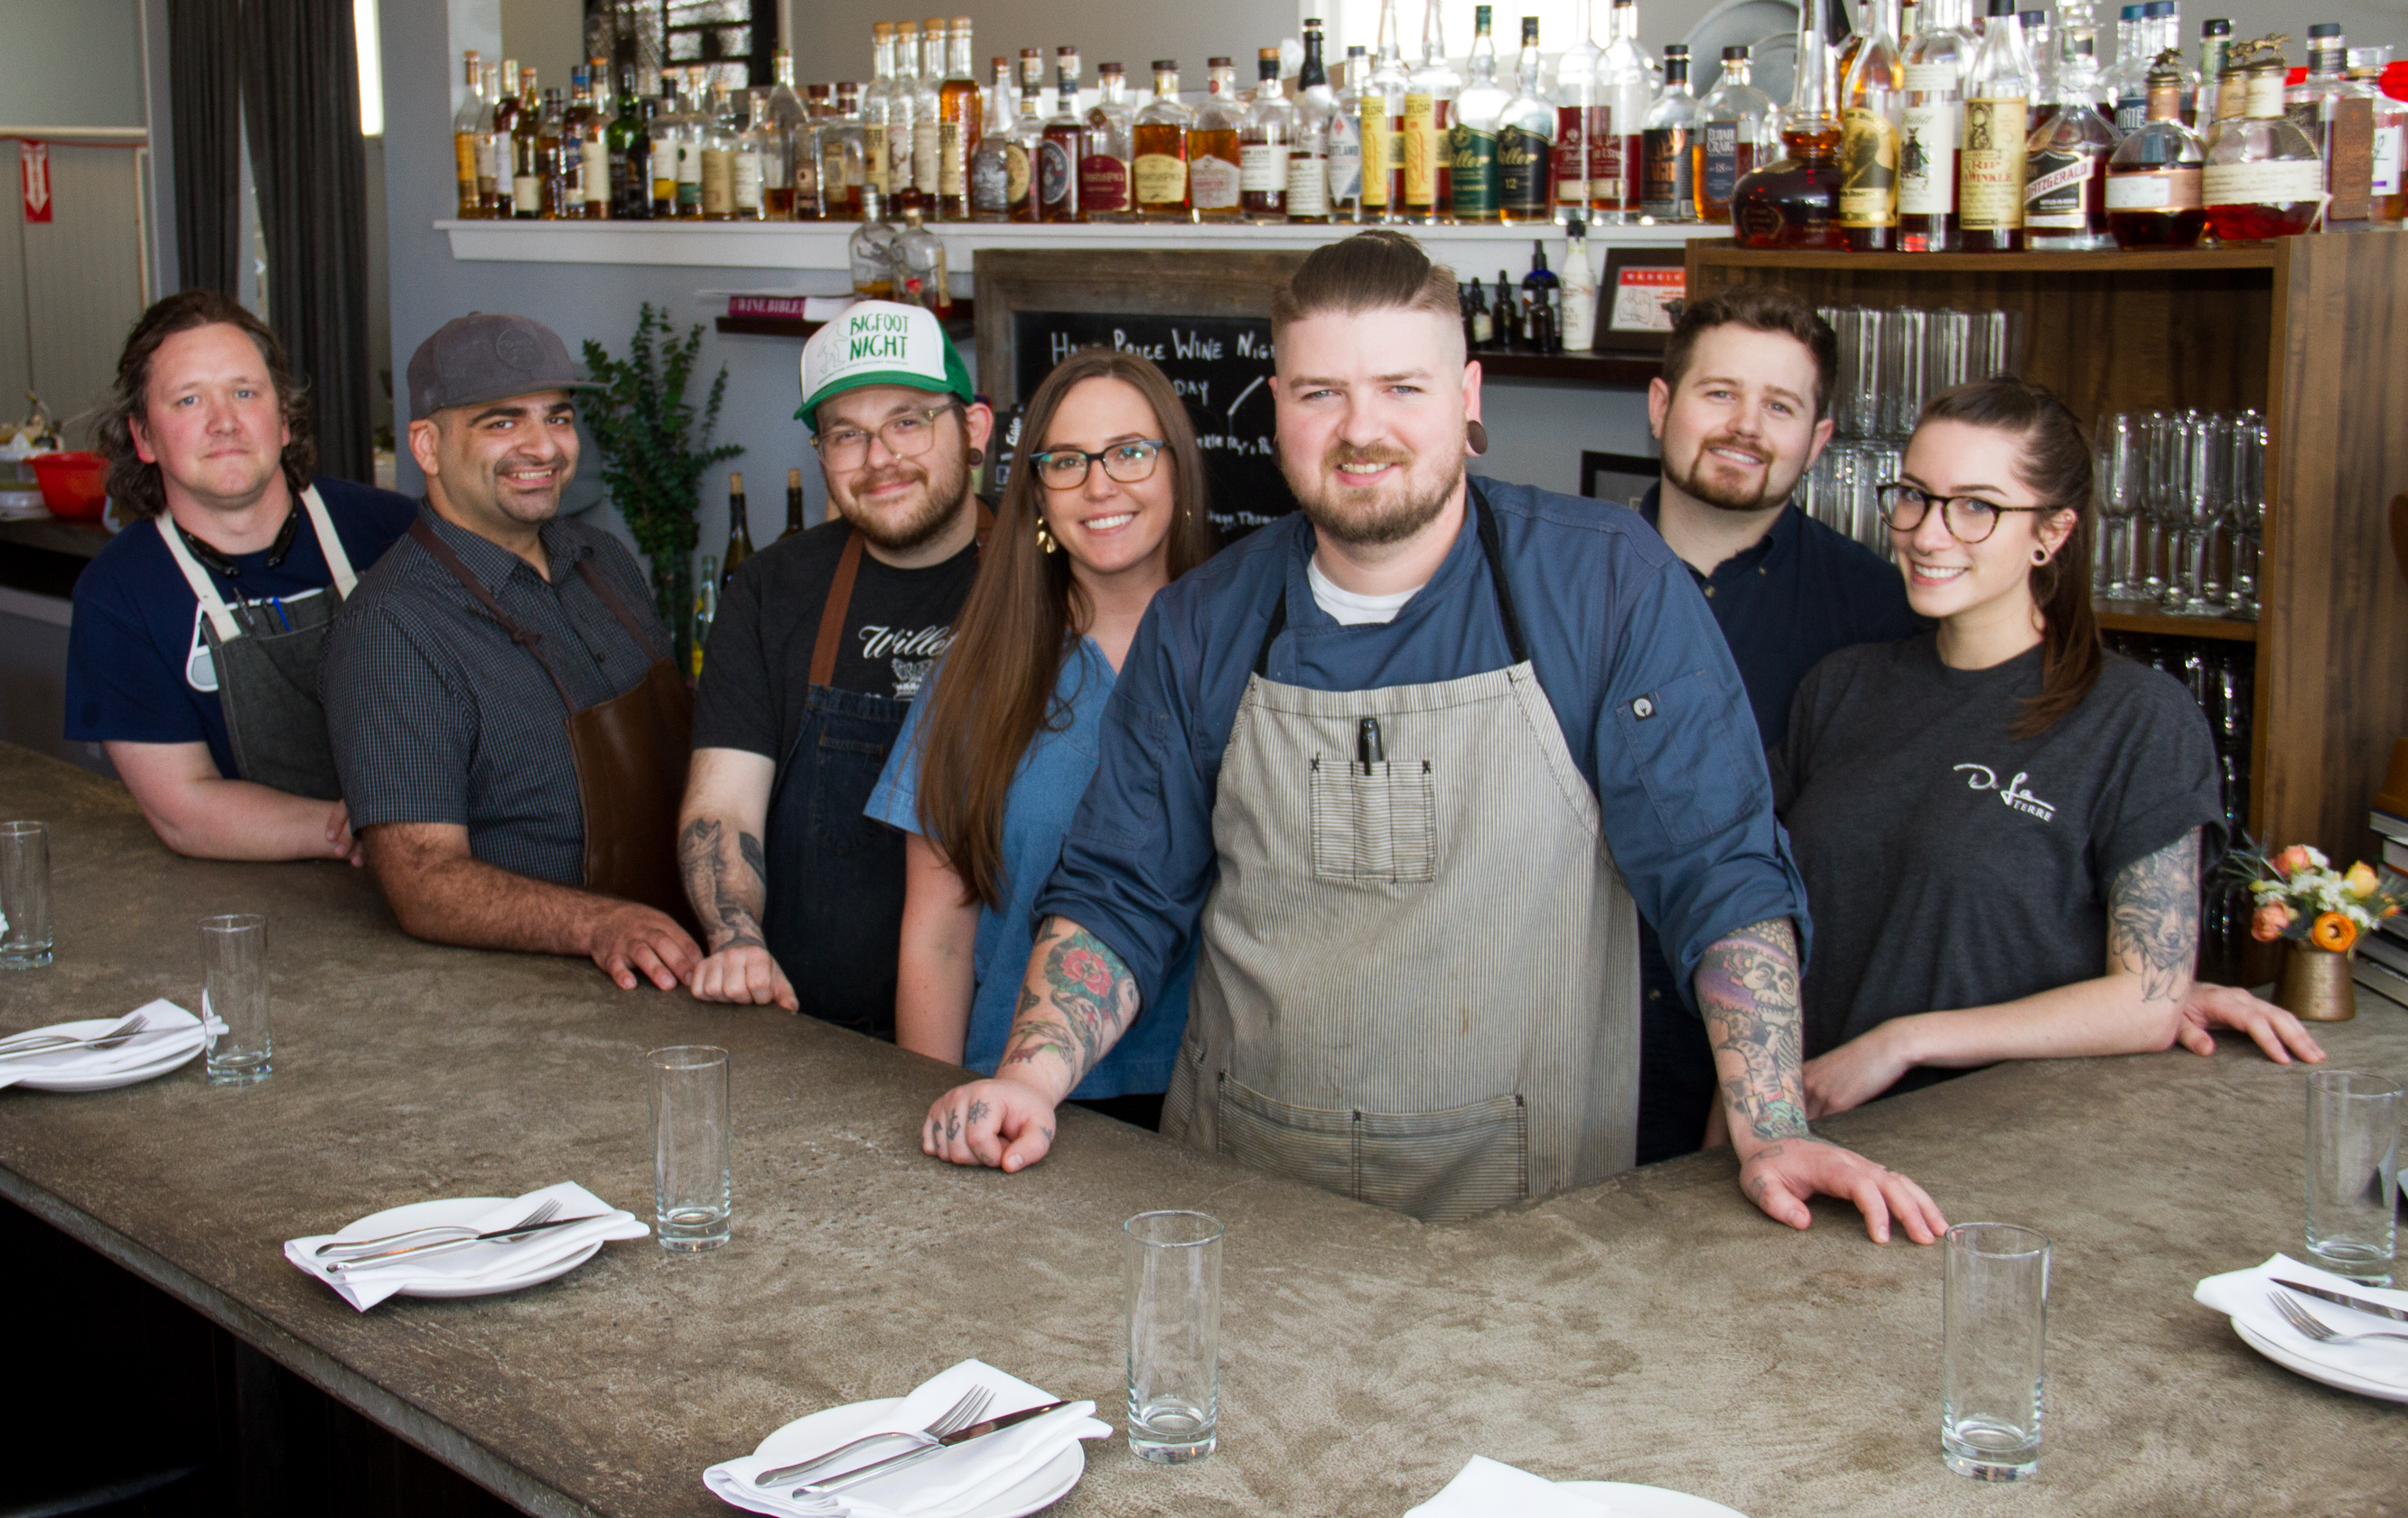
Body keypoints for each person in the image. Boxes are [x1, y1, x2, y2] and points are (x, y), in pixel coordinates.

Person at [920, 231, 1945, 1243]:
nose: (1361, 430)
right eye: (1322, 393)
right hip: (1246, 1195)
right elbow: (1120, 891)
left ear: (1468, 398)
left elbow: (1719, 868)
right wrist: (1029, 1078)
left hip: (1538, 1215)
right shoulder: (1203, 621)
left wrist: (1770, 1129)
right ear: (1277, 408)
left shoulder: (1603, 583)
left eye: (1403, 389)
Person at [1784, 378, 2321, 1116]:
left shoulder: (2136, 719)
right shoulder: (1840, 688)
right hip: (1812, 1135)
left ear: (2053, 532)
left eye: (1977, 506)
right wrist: (1745, 1096)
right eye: (1913, 494)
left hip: (2006, 1147)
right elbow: (1767, 916)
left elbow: (2149, 998)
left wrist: (1901, 1041)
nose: (1928, 533)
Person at [867, 349, 1215, 1130]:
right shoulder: (978, 672)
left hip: (1214, 1105)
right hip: (1018, 1104)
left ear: (1178, 471)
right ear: (1036, 495)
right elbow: (939, 936)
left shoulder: (1246, 650)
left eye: (1130, 452)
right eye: (1065, 461)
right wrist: (933, 1108)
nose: (1100, 485)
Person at [319, 313, 701, 992]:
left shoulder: (603, 560)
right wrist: (598, 926)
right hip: (543, 994)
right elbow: (422, 881)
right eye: (501, 424)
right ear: (427, 447)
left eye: (557, 417)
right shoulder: (392, 628)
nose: (543, 447)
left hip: (678, 961)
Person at [1631, 286, 1920, 1164]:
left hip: (1782, 1082)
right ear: (1661, 407)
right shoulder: (1565, 579)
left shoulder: (1883, 612)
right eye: (1720, 393)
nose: (1746, 426)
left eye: (1780, 406)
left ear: (1818, 440)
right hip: (1571, 1047)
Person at [680, 302, 994, 1034]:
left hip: (1009, 1046)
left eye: (908, 421)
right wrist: (738, 941)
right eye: (847, 435)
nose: (879, 458)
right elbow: (722, 804)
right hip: (813, 1031)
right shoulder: (770, 591)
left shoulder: (1048, 578)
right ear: (822, 454)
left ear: (972, 430)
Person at [68, 290, 415, 861]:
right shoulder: (120, 594)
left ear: (283, 419)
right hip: (258, 897)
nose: (224, 422)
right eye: (187, 401)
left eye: (245, 393)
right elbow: (184, 809)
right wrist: (361, 829)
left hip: (442, 861)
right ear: (143, 437)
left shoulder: (395, 533)